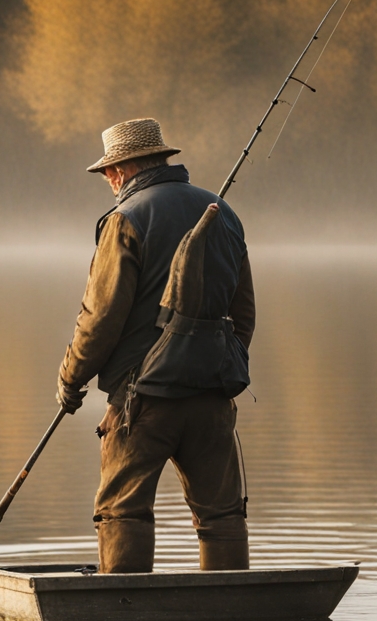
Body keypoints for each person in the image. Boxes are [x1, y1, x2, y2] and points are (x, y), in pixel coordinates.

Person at [57, 117, 255, 573]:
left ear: (125, 168)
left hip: (140, 402)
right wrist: (218, 365)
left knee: (122, 511)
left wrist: (71, 378)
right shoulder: (223, 212)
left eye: (109, 170)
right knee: (221, 515)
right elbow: (243, 313)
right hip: (213, 397)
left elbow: (101, 318)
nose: (107, 179)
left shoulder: (124, 219)